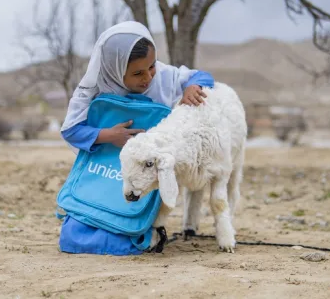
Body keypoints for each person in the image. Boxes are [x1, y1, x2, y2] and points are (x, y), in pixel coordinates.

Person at [58, 21, 215, 255]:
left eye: (151, 66)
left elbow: (201, 76)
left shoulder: (163, 77)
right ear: (114, 69)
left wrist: (192, 87)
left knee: (130, 226)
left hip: (143, 174)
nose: (148, 77)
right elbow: (71, 129)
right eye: (137, 73)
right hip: (106, 170)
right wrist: (109, 135)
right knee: (77, 233)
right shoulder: (96, 87)